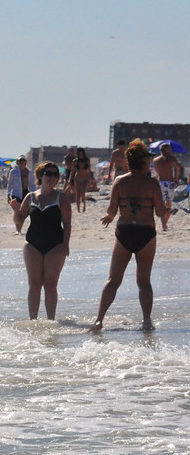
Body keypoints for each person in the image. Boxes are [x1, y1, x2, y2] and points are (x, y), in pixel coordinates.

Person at [89, 139, 169, 332]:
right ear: (142, 162)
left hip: (124, 232)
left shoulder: (119, 181)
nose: (150, 163)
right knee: (143, 281)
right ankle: (147, 321)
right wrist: (167, 210)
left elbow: (111, 210)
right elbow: (159, 213)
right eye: (148, 160)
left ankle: (99, 321)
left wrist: (108, 218)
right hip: (145, 233)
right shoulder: (152, 183)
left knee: (113, 280)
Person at [10, 162, 71, 320]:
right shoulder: (30, 197)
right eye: (48, 174)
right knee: (34, 285)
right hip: (32, 245)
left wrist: (66, 245)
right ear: (41, 176)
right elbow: (19, 221)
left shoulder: (61, 198)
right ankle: (33, 321)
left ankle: (51, 320)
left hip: (55, 246)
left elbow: (67, 223)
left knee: (50, 285)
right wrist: (16, 210)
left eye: (55, 175)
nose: (52, 177)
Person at [153, 142, 182, 231]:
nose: (171, 150)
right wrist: (176, 178)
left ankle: (163, 225)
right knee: (168, 205)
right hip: (169, 183)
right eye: (169, 148)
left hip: (160, 183)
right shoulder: (171, 158)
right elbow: (178, 168)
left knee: (162, 205)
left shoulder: (155, 160)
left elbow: (157, 172)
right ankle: (164, 225)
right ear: (165, 150)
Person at [6, 155, 35, 232]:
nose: (21, 163)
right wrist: (8, 194)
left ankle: (19, 229)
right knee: (17, 211)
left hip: (26, 192)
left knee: (23, 211)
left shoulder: (29, 172)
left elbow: (32, 184)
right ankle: (17, 229)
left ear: (25, 162)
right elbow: (10, 184)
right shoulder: (13, 172)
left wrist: (35, 194)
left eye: (23, 161)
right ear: (17, 162)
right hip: (16, 193)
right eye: (20, 161)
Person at [65, 147, 94, 213]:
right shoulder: (75, 161)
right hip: (77, 178)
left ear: (83, 154)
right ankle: (78, 208)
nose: (81, 155)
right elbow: (72, 171)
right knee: (77, 194)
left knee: (83, 193)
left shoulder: (87, 160)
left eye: (81, 154)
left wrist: (91, 178)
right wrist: (70, 179)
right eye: (79, 154)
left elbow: (89, 170)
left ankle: (84, 205)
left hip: (85, 178)